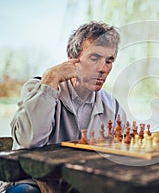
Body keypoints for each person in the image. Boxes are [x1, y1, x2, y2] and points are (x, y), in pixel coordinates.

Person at [6, 21, 127, 192]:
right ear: (72, 59)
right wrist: (50, 79)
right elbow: (29, 140)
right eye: (94, 58)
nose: (103, 68)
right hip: (33, 183)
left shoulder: (112, 106)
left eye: (109, 60)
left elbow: (123, 154)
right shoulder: (37, 88)